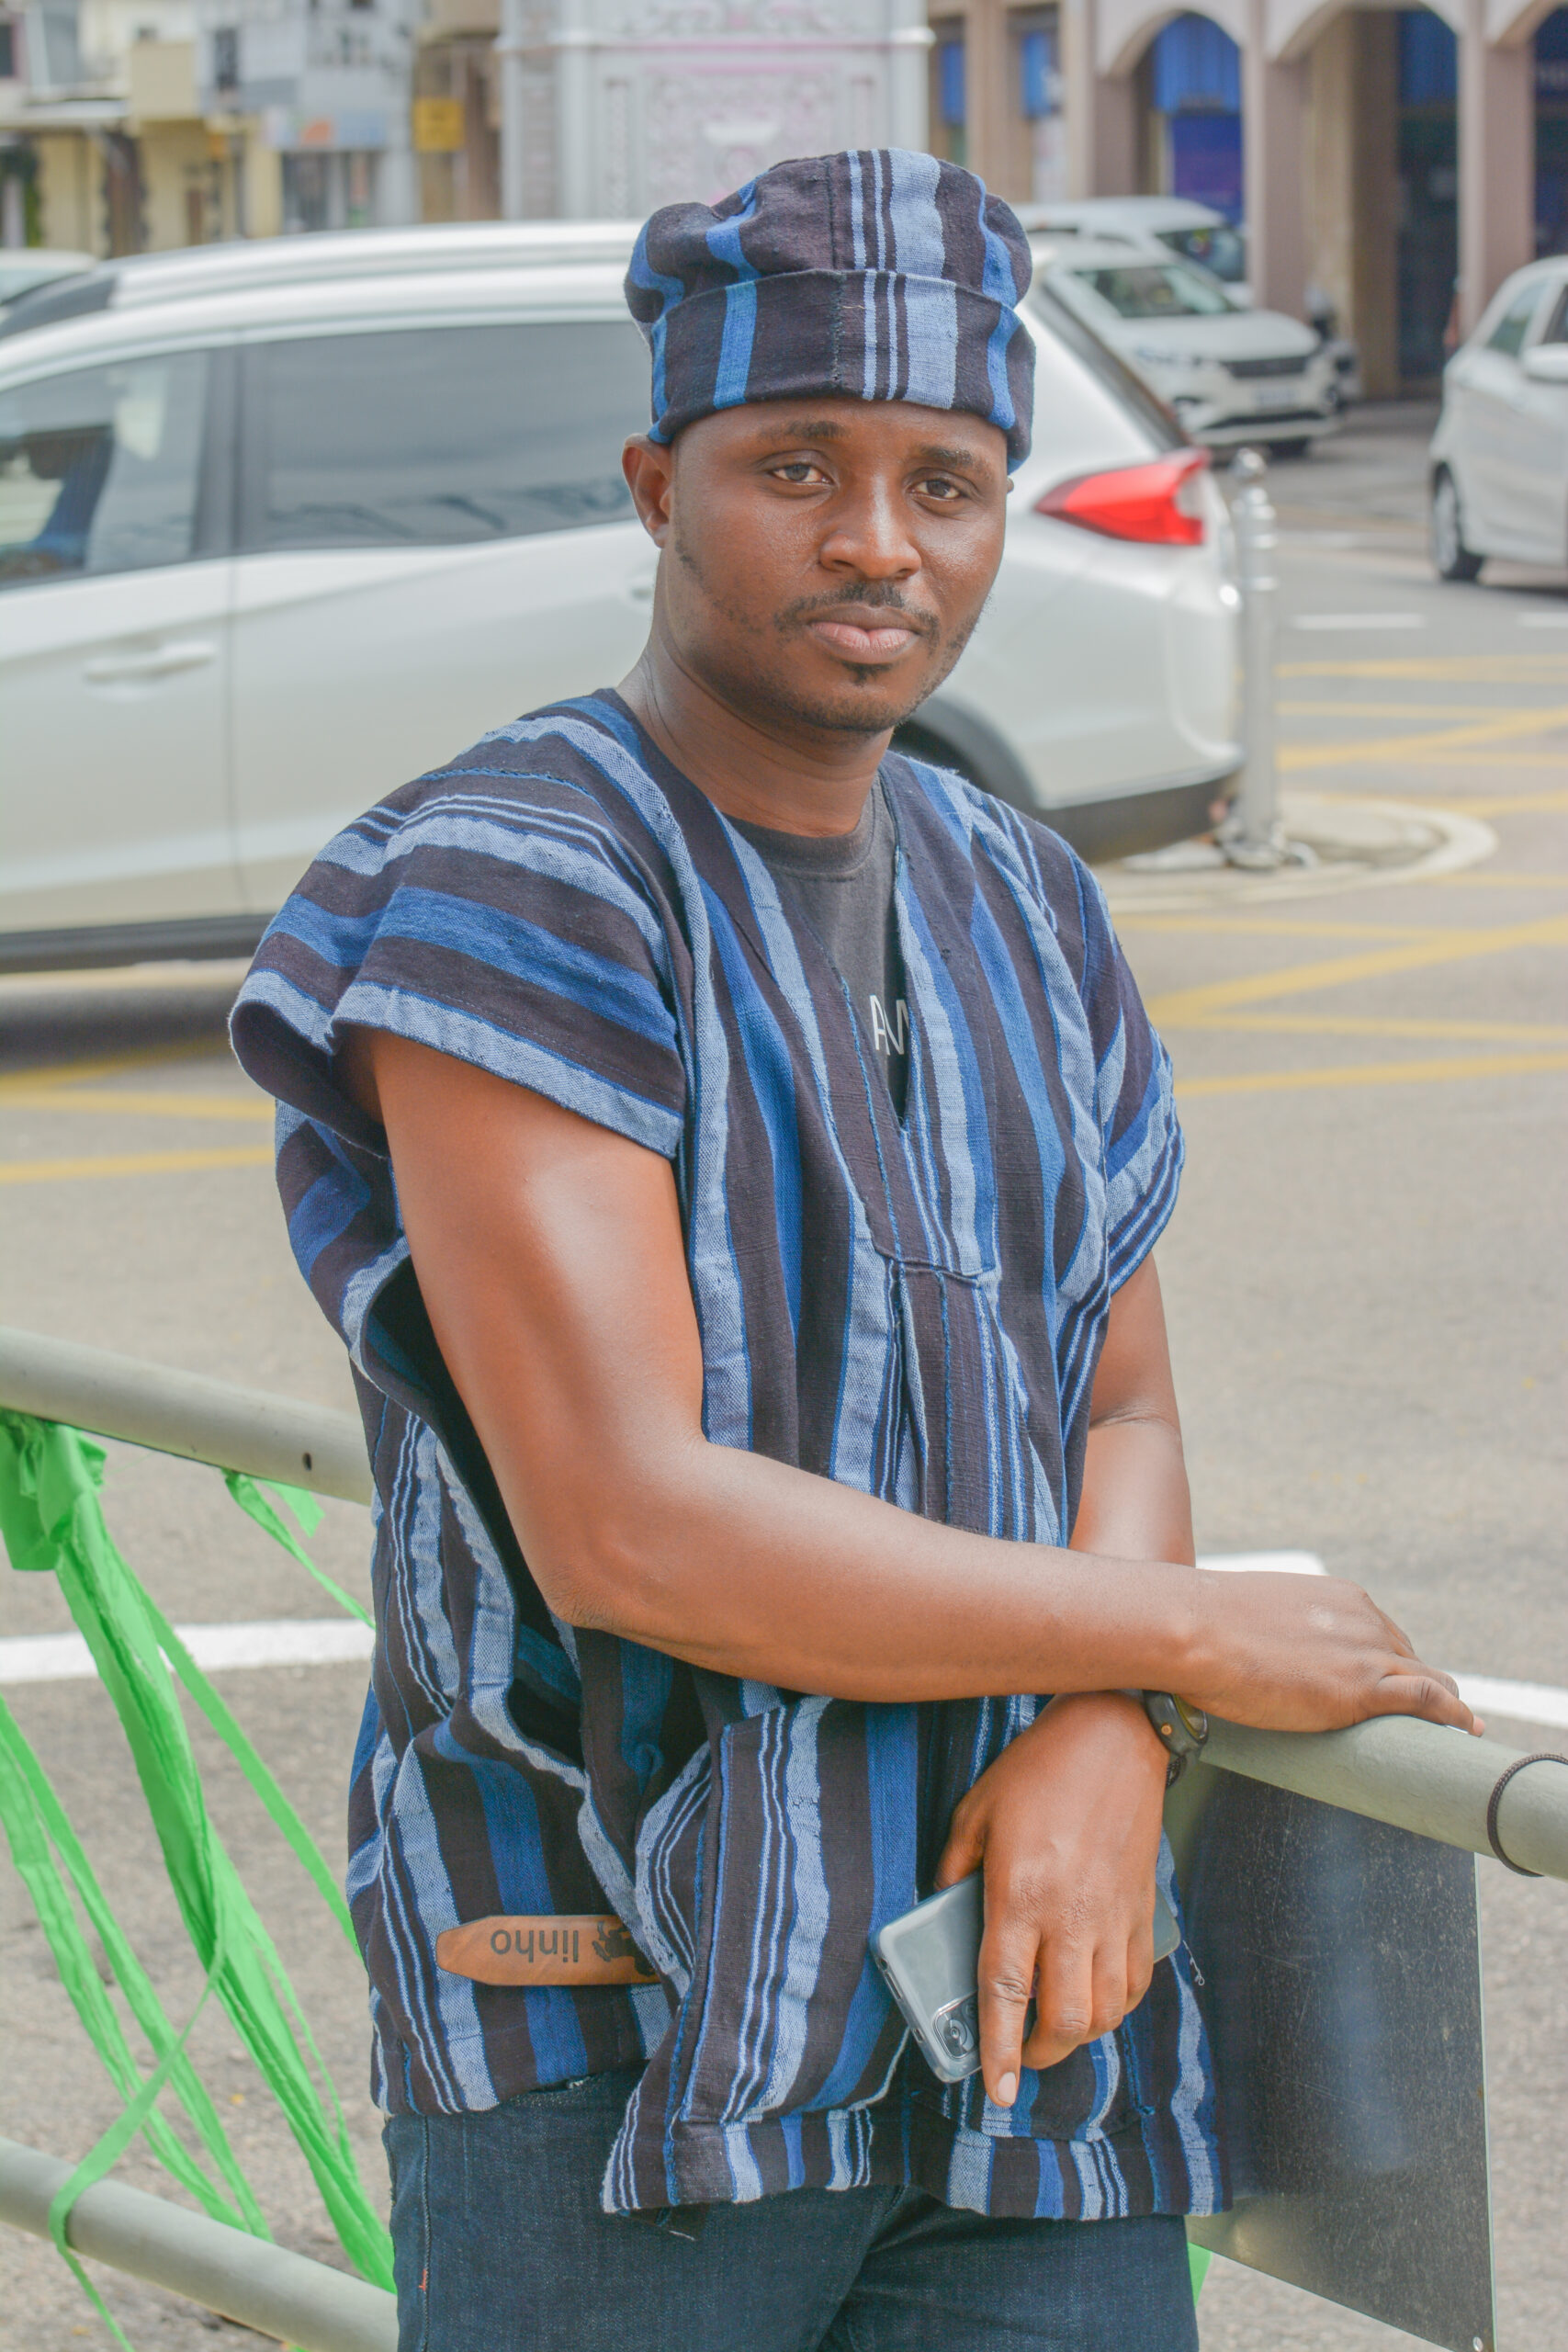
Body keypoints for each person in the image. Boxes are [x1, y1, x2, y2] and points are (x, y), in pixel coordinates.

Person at [231, 150, 1476, 2351]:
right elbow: (630, 1523)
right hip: (616, 2025)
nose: (877, 541)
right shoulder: (519, 881)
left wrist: (1109, 1717)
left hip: (1027, 2002)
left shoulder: (1024, 893)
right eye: (795, 466)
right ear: (656, 486)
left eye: (946, 481)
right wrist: (1186, 1631)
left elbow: (1119, 1399)